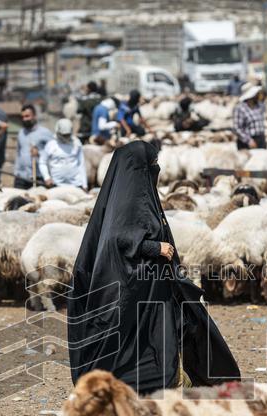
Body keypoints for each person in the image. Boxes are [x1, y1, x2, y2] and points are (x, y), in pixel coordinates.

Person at [66, 141, 240, 394]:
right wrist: (154, 248)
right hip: (133, 286)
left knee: (169, 331)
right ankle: (153, 382)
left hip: (149, 285)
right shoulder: (131, 199)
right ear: (139, 167)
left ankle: (173, 379)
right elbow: (119, 238)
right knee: (142, 338)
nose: (156, 168)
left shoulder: (137, 193)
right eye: (153, 164)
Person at [13, 104, 54, 189]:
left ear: (34, 116)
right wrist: (16, 171)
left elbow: (53, 153)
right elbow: (18, 153)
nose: (24, 119)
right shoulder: (21, 133)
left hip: (38, 177)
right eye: (23, 117)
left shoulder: (45, 133)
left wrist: (39, 153)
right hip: (22, 177)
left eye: (27, 116)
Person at [39, 118, 86, 189]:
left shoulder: (76, 143)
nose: (66, 137)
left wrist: (84, 184)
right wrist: (47, 177)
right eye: (64, 135)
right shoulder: (51, 145)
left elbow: (81, 164)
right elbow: (42, 162)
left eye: (67, 135)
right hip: (57, 186)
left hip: (76, 185)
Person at [232, 85, 266, 150]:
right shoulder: (240, 108)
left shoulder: (260, 106)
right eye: (257, 94)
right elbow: (237, 128)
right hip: (247, 142)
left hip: (260, 139)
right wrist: (248, 140)